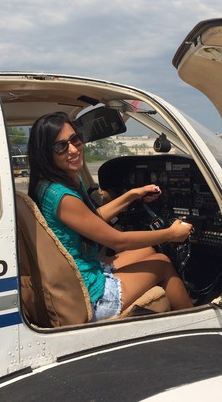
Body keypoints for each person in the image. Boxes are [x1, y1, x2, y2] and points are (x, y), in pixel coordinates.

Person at [27, 112, 193, 321]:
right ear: (45, 154)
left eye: (74, 139)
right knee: (162, 262)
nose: (72, 149)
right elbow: (117, 240)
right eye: (60, 147)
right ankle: (194, 322)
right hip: (89, 294)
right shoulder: (61, 196)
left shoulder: (51, 183)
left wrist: (132, 195)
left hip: (81, 272)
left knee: (148, 249)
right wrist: (170, 233)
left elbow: (92, 219)